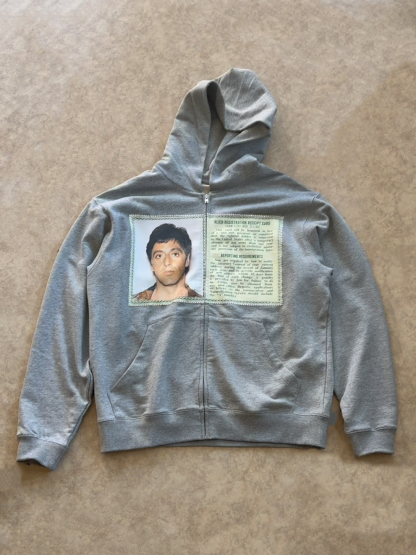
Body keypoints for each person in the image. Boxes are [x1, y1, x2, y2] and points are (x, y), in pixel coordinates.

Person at [133, 223, 202, 301]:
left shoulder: (202, 304)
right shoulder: (135, 301)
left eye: (175, 254)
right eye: (159, 256)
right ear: (151, 264)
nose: (167, 262)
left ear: (187, 260)